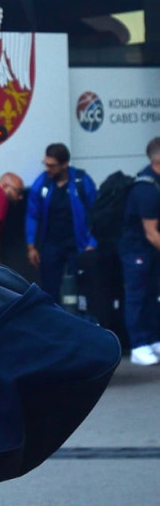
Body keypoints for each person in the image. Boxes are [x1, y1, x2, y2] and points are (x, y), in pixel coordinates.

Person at [26, 143, 97, 302]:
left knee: (84, 287)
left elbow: (97, 213)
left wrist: (92, 242)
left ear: (64, 164)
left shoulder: (81, 182)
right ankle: (53, 316)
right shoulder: (42, 184)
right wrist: (31, 246)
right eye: (46, 164)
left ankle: (83, 316)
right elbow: (32, 215)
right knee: (49, 289)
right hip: (52, 243)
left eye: (52, 165)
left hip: (78, 243)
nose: (47, 169)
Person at [119, 137, 160, 366]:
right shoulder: (146, 189)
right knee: (137, 295)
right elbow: (151, 233)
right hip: (137, 250)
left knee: (153, 294)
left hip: (150, 250)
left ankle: (153, 339)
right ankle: (138, 344)